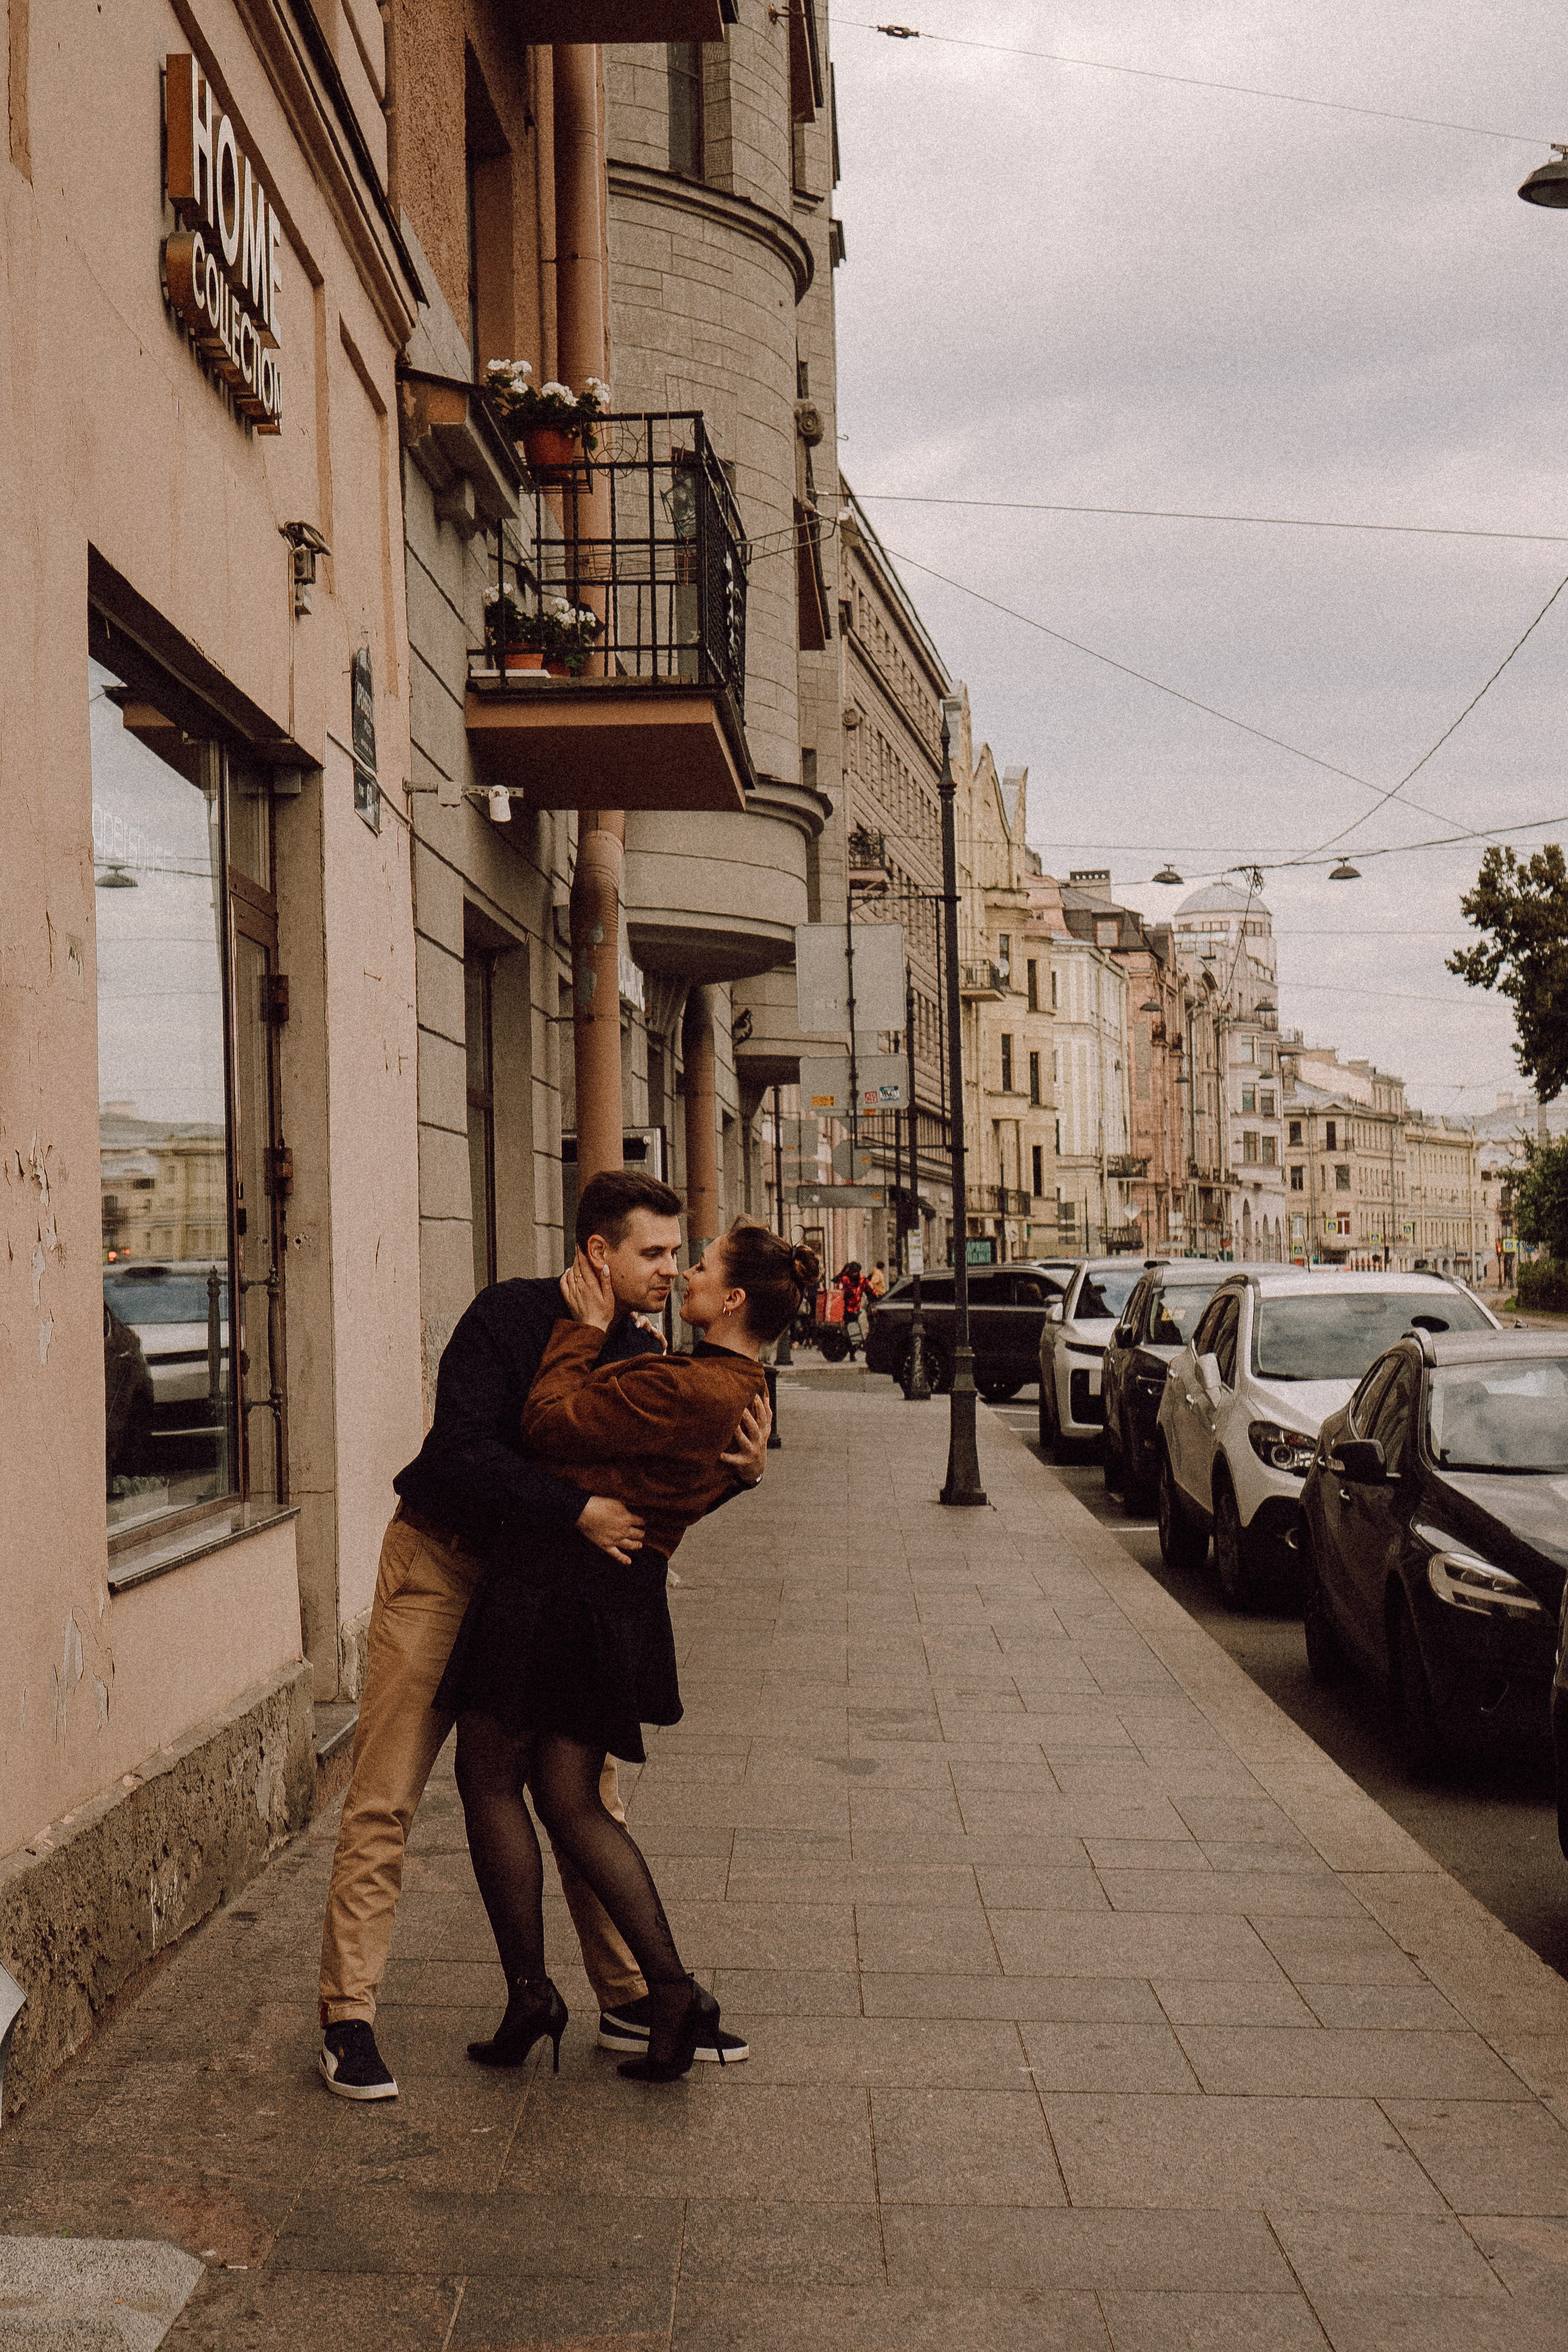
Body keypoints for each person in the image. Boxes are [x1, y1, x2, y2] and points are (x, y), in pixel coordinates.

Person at [316, 1170, 769, 2101]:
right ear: (598, 1252)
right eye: (653, 1253)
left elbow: (650, 1487)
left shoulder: (645, 1347)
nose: (668, 1270)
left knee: (582, 1797)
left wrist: (736, 1476)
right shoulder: (508, 1317)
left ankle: (629, 1997)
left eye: (679, 1255)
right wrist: (574, 1511)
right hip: (443, 1568)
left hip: (540, 1590)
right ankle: (347, 2015)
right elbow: (463, 1453)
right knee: (385, 1795)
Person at [438, 1223, 820, 2082]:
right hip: (604, 1601)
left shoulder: (691, 1384)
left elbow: (545, 1424)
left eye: (704, 1263)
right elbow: (684, 1488)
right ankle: (662, 1996)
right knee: (569, 1798)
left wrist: (576, 1332)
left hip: (554, 1592)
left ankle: (553, 1994)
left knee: (492, 1780)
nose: (685, 1269)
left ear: (730, 1301)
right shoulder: (741, 1388)